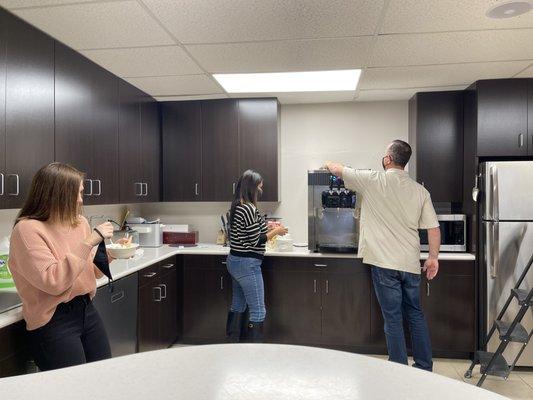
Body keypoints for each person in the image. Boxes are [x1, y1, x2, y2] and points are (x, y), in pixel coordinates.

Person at [325, 140, 441, 371]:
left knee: (394, 318)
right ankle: (424, 367)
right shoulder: (420, 191)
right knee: (415, 315)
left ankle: (397, 368)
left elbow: (337, 169)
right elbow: (433, 229)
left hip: (384, 263)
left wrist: (328, 162)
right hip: (409, 263)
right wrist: (433, 258)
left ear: (388, 159)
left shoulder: (372, 180)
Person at [9, 162, 116, 371]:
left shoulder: (79, 223)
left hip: (86, 309)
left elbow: (91, 273)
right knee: (72, 389)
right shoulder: (27, 230)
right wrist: (89, 241)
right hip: (53, 320)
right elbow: (54, 282)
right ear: (59, 194)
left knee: (104, 375)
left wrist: (111, 255)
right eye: (78, 193)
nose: (80, 199)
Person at [226, 170, 288, 343]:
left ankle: (232, 345)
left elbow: (251, 233)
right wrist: (277, 231)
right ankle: (255, 354)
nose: (261, 190)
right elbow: (255, 241)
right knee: (259, 310)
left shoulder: (238, 205)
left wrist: (269, 228)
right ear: (251, 188)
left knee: (238, 304)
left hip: (235, 261)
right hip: (247, 264)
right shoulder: (248, 208)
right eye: (259, 187)